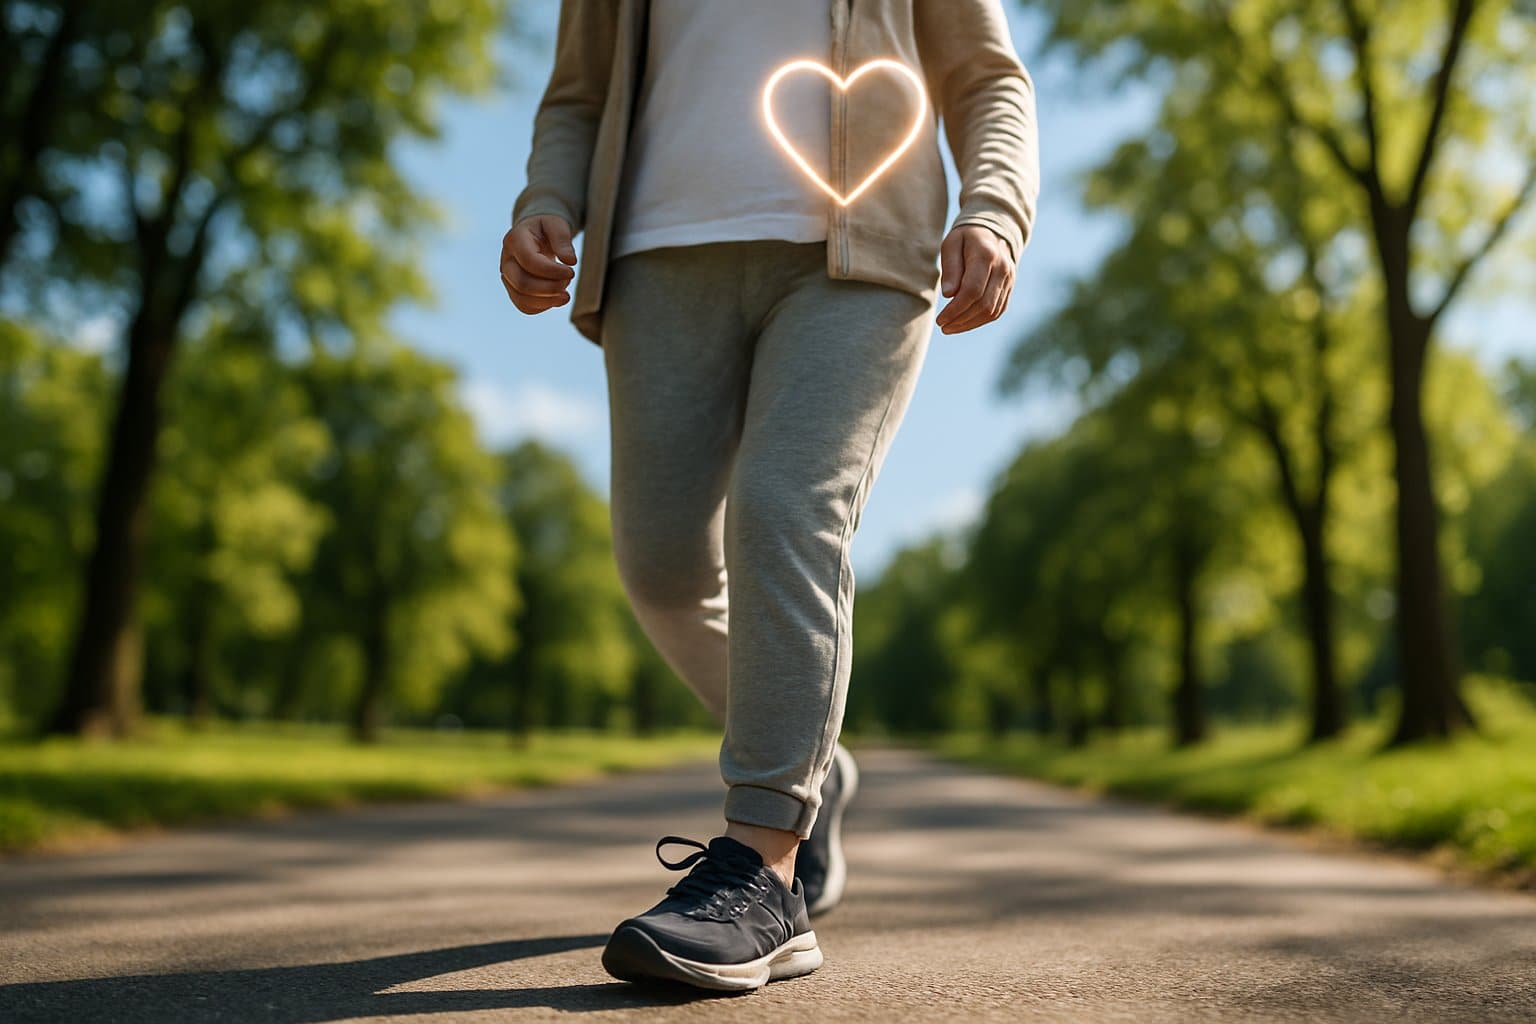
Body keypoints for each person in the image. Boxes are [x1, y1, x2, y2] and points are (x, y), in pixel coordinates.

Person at [501, 0, 1039, 993]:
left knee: (787, 509)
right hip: (657, 258)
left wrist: (995, 205)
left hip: (861, 247)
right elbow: (578, 92)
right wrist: (548, 199)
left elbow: (987, 77)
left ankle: (763, 868)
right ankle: (813, 769)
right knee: (660, 563)